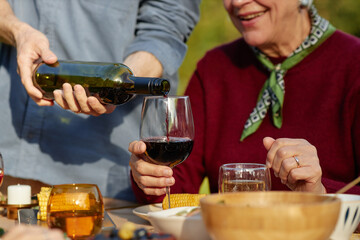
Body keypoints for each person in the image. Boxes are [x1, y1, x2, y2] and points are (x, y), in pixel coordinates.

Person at [129, 0, 360, 203]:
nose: (238, 2)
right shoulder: (214, 68)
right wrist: (151, 179)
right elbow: (177, 190)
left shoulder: (354, 64)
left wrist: (320, 194)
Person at [0, 0, 200, 200]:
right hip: (7, 154)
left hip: (100, 176)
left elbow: (166, 25)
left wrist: (120, 86)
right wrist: (18, 32)